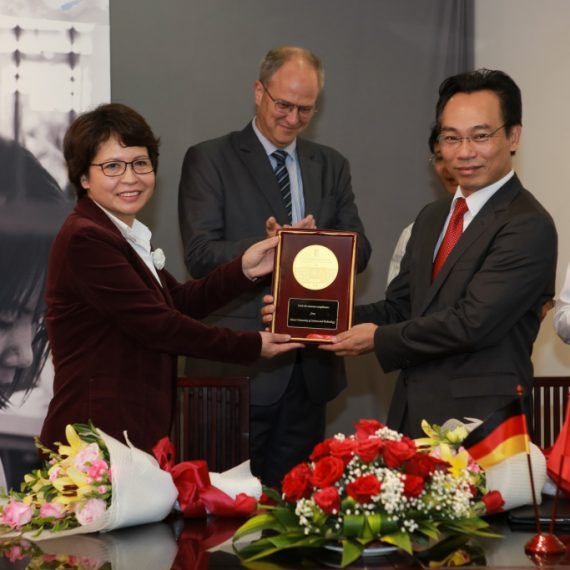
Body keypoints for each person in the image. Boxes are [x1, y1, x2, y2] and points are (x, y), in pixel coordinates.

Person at [266, 69, 557, 438]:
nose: (464, 152)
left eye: (480, 136)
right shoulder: (433, 216)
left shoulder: (527, 223)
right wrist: (308, 314)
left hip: (483, 425)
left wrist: (377, 339)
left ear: (513, 136)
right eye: (451, 138)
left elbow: (472, 323)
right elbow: (401, 307)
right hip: (411, 413)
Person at [39, 103, 301, 454]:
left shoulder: (120, 233)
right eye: (112, 166)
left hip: (129, 435)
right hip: (94, 443)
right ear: (84, 178)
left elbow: (177, 302)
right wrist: (251, 345)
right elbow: (160, 325)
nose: (130, 177)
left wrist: (245, 269)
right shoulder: (86, 238)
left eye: (140, 163)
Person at [178, 46, 371, 487]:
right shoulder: (211, 158)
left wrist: (314, 248)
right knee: (228, 512)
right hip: (236, 369)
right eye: (283, 104)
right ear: (258, 92)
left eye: (306, 109)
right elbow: (200, 255)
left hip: (311, 372)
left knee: (298, 509)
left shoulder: (331, 165)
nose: (292, 118)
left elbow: (360, 251)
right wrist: (270, 247)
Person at [386, 125, 457, 286]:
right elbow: (397, 298)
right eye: (440, 157)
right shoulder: (416, 232)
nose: (448, 167)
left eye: (454, 156)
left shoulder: (504, 225)